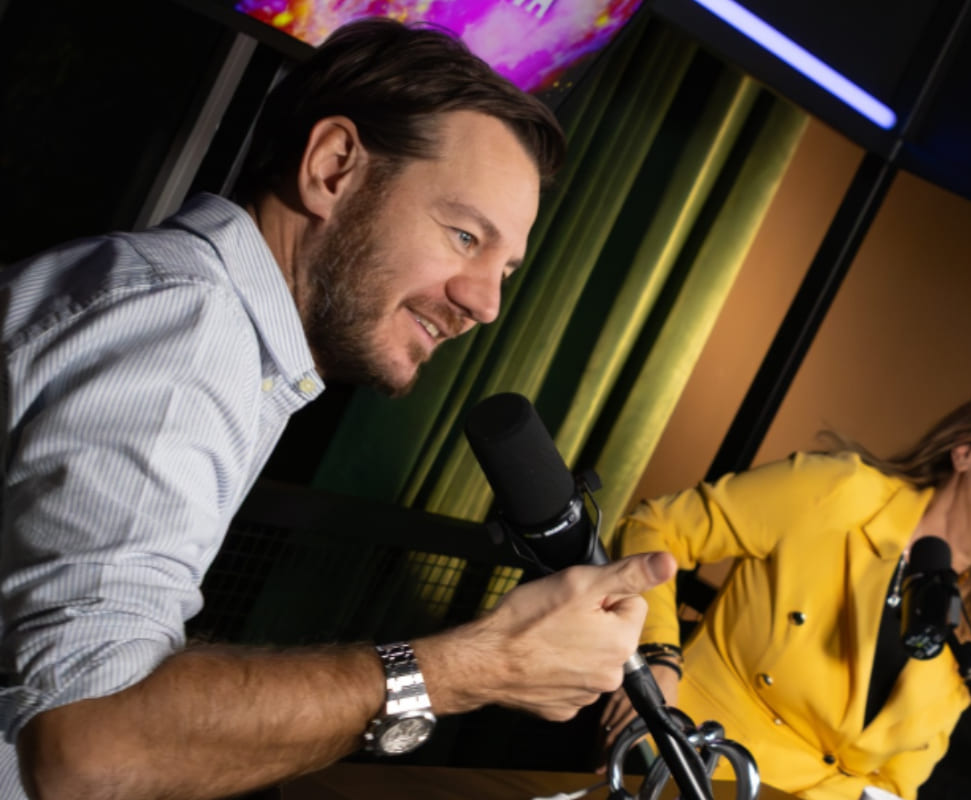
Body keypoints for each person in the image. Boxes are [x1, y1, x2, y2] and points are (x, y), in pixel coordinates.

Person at [0, 18, 675, 800]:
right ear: (332, 168)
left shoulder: (209, 327)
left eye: (506, 269)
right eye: (464, 236)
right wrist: (483, 665)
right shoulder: (189, 336)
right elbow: (88, 752)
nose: (486, 304)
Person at [599, 389, 971, 799]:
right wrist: (656, 660)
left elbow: (895, 784)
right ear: (966, 450)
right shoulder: (839, 492)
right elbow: (657, 527)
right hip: (683, 770)